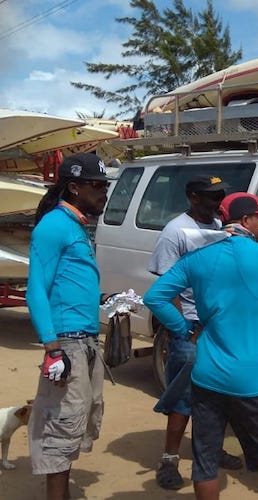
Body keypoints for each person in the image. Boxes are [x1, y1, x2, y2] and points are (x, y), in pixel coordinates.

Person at [144, 192, 258, 500]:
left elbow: (154, 297)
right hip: (253, 383)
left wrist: (184, 329)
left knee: (205, 462)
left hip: (208, 378)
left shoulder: (198, 259)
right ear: (244, 220)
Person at [147, 175, 243, 490]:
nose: (217, 202)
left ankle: (212, 451)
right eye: (210, 196)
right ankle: (169, 460)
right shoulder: (175, 232)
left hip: (218, 330)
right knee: (183, 399)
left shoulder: (219, 225)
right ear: (192, 197)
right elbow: (166, 286)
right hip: (191, 329)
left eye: (220, 195)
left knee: (219, 398)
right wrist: (184, 329)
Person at [26, 153, 111, 500]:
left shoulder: (75, 225)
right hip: (67, 347)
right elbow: (36, 290)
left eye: (105, 186)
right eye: (97, 187)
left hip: (83, 344)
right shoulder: (54, 226)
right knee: (62, 429)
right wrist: (52, 347)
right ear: (74, 187)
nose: (104, 193)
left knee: (77, 423)